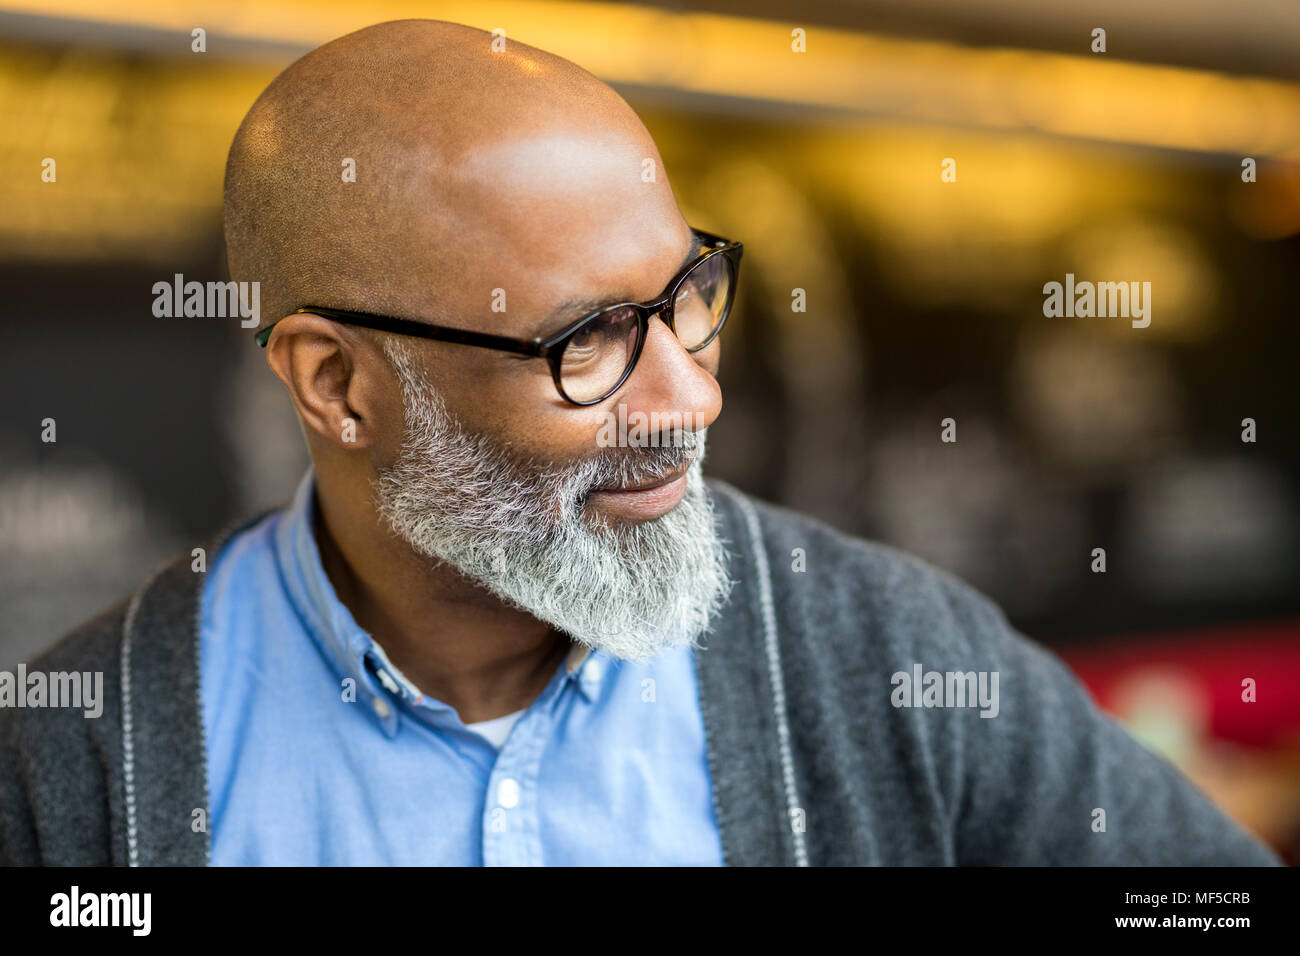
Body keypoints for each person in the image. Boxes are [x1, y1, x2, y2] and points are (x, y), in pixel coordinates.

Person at [0, 19, 1280, 866]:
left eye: (688, 301)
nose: (691, 398)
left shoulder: (887, 656)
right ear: (338, 384)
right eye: (589, 341)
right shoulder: (75, 772)